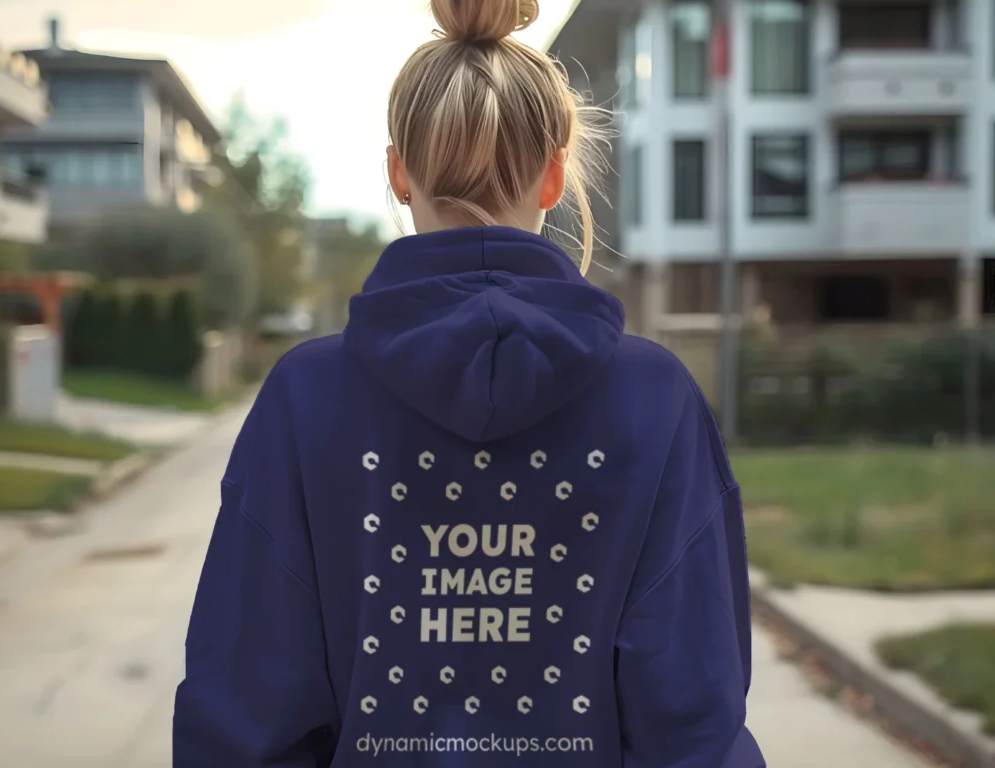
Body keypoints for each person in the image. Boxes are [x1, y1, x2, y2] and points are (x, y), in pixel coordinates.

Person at [172, 0, 766, 765]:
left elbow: (244, 707)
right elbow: (694, 721)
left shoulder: (304, 398)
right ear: (556, 175)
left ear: (398, 172)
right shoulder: (656, 400)